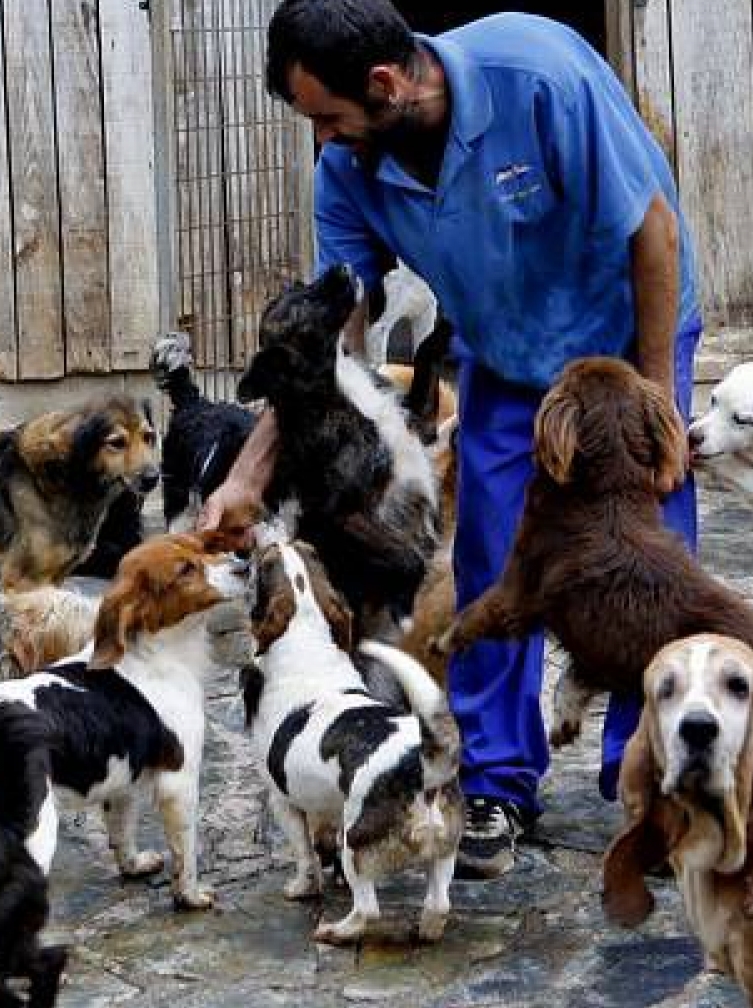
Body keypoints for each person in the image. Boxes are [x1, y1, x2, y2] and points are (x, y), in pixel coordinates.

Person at [203, 0, 701, 880]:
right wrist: (250, 473)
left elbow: (652, 233)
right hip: (506, 359)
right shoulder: (349, 173)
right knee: (490, 561)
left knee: (641, 561)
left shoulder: (538, 74)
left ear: (387, 86)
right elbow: (327, 360)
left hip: (626, 342)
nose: (321, 141)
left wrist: (658, 404)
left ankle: (653, 779)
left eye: (328, 117)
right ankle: (502, 783)